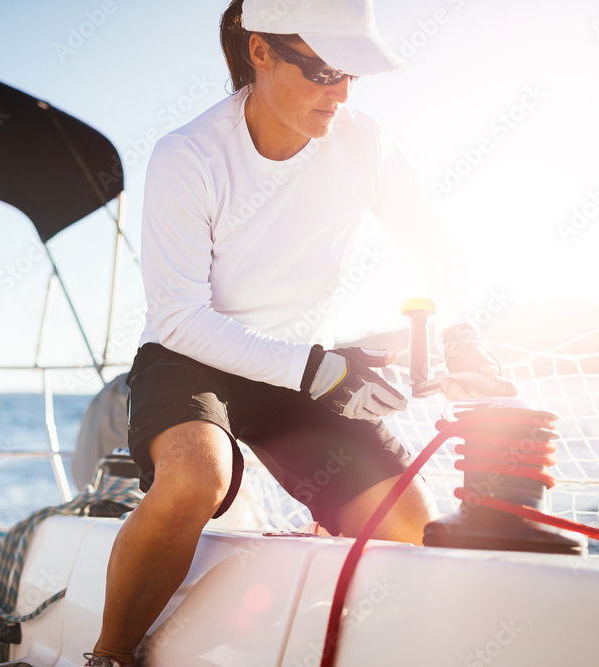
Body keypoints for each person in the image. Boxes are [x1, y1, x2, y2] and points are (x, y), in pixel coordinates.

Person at [84, 1, 508, 665]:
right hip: (191, 356)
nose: (340, 93)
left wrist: (453, 333)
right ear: (260, 51)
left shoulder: (362, 143)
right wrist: (320, 369)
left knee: (410, 527)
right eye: (323, 70)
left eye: (352, 75)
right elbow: (178, 316)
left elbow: (441, 250)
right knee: (197, 477)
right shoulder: (187, 156)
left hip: (301, 364)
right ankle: (107, 655)